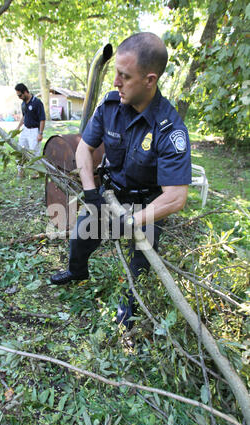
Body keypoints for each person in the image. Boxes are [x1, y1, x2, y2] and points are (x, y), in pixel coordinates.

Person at [51, 32, 192, 330]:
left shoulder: (169, 129)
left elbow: (176, 197)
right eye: (116, 72)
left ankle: (127, 313)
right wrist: (91, 193)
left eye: (124, 76)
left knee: (138, 268)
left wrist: (131, 222)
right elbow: (84, 149)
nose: (115, 81)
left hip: (148, 205)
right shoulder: (110, 106)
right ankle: (77, 273)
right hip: (110, 194)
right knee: (80, 238)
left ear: (149, 80)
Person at [15, 83, 46, 176]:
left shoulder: (37, 102)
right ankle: (20, 171)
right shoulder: (23, 104)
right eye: (17, 95)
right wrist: (18, 127)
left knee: (34, 152)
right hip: (25, 130)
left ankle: (37, 172)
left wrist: (40, 133)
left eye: (20, 95)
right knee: (20, 150)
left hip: (34, 130)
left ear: (25, 92)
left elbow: (42, 119)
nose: (19, 97)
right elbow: (24, 116)